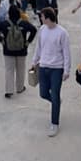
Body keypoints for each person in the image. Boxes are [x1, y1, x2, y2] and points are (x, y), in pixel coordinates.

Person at [32, 7, 70, 137]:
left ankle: (54, 123)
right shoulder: (42, 29)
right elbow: (39, 47)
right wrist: (34, 61)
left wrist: (66, 70)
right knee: (43, 93)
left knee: (54, 94)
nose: (40, 19)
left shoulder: (62, 33)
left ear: (47, 18)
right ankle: (57, 102)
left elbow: (66, 52)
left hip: (56, 68)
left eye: (42, 17)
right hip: (43, 66)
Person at [0, 5, 37, 98]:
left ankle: (9, 90)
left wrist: (1, 40)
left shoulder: (5, 24)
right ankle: (20, 88)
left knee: (9, 70)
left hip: (8, 50)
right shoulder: (24, 23)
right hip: (22, 50)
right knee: (20, 69)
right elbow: (34, 30)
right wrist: (28, 42)